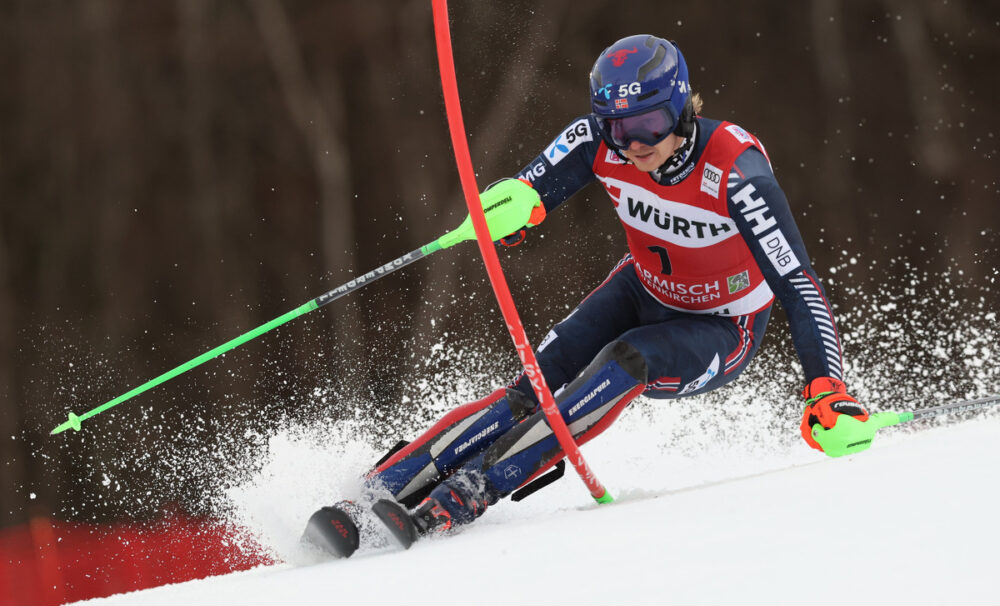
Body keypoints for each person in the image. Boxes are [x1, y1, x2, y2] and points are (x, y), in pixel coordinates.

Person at [316, 34, 870, 549]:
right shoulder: (595, 143)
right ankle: (370, 497)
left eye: (649, 124)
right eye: (617, 127)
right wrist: (512, 209)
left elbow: (797, 283)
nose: (633, 145)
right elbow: (529, 192)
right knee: (530, 389)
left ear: (681, 108)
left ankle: (463, 498)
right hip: (642, 289)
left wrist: (826, 386)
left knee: (626, 360)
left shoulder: (735, 170)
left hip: (722, 326)